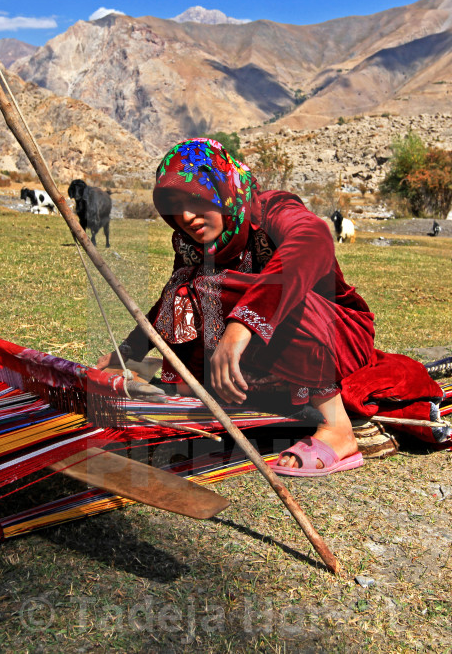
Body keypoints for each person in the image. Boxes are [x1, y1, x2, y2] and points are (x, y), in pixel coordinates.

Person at [96, 138, 375, 476]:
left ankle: (337, 429)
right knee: (188, 287)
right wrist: (127, 353)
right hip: (266, 363)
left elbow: (313, 237)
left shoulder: (271, 209)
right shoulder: (191, 245)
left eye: (196, 198)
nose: (186, 216)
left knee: (222, 287)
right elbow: (168, 303)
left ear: (222, 190)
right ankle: (195, 390)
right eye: (175, 204)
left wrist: (243, 323)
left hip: (335, 338)